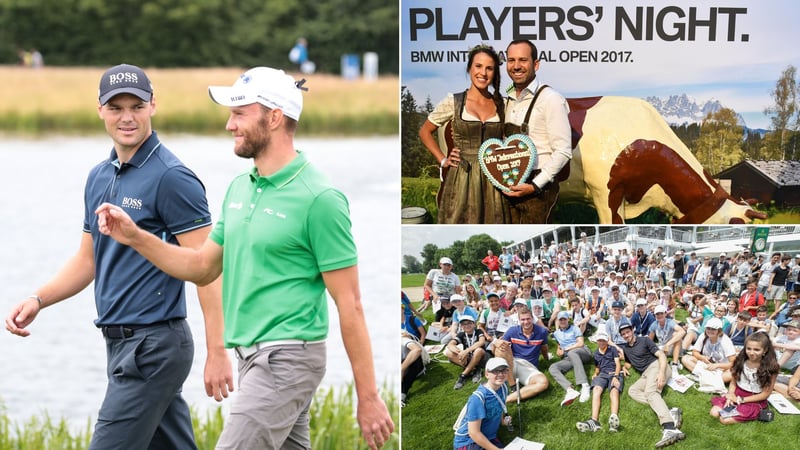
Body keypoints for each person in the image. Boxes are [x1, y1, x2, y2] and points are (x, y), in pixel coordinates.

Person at [95, 66, 393, 449]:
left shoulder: (319, 199)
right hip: (251, 360)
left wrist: (367, 397)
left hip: (287, 361)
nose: (229, 125)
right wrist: (136, 237)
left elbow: (350, 304)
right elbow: (201, 268)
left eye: (239, 114)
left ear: (274, 117)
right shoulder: (240, 189)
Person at [5, 64, 234, 449]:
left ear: (152, 106)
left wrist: (217, 351)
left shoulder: (172, 177)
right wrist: (38, 299)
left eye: (136, 106)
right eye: (116, 107)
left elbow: (207, 270)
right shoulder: (99, 176)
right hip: (120, 345)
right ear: (100, 110)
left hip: (154, 346)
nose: (127, 117)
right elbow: (88, 259)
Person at [419, 44, 508, 223]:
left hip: (493, 176)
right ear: (469, 68)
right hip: (462, 176)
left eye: (489, 68)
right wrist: (443, 160)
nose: (483, 73)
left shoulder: (502, 104)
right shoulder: (454, 101)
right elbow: (425, 131)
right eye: (478, 66)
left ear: (495, 73)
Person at [502, 39, 572, 223]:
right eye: (511, 60)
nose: (516, 66)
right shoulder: (506, 101)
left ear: (536, 64)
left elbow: (564, 151)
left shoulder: (551, 99)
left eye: (523, 60)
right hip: (508, 180)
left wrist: (534, 185)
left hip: (537, 188)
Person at [619, 320, 685, 448]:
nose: (626, 335)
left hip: (656, 366)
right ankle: (671, 410)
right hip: (646, 373)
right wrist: (624, 368)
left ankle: (670, 428)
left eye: (627, 332)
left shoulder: (644, 340)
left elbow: (661, 355)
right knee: (632, 390)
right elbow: (629, 362)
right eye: (623, 334)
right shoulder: (625, 349)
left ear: (632, 330)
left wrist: (661, 373)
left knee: (651, 393)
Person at [709, 332, 780, 424]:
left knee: (724, 420)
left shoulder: (771, 367)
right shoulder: (741, 360)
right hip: (737, 393)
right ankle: (734, 407)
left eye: (756, 350)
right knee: (714, 413)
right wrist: (731, 395)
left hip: (754, 399)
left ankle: (752, 412)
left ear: (765, 350)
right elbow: (733, 382)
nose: (751, 352)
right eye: (748, 348)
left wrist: (741, 400)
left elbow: (765, 394)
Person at [493, 307, 550, 404]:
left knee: (543, 383)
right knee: (501, 347)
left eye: (528, 319)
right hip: (512, 362)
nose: (526, 322)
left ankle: (505, 400)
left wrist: (546, 358)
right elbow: (496, 352)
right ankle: (513, 385)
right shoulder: (512, 331)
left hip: (528, 366)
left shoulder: (542, 332)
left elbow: (544, 348)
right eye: (523, 319)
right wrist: (496, 343)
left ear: (532, 319)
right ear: (519, 320)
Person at [453, 358, 511, 450]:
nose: (500, 374)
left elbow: (499, 406)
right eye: (495, 371)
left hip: (489, 436)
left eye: (504, 370)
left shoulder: (503, 387)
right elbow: (473, 433)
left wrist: (502, 421)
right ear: (487, 374)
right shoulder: (478, 398)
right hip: (468, 441)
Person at [576, 332, 623, 433]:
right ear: (597, 341)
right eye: (599, 340)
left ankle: (613, 418)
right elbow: (598, 366)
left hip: (614, 372)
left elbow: (618, 364)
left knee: (614, 391)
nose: (601, 342)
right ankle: (594, 421)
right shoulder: (596, 353)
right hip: (602, 374)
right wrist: (595, 373)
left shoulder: (612, 349)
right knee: (596, 390)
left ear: (607, 341)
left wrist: (616, 376)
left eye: (603, 340)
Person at [550, 311, 593, 406]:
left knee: (572, 352)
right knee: (553, 367)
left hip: (582, 352)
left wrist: (566, 349)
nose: (562, 321)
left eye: (564, 319)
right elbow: (559, 346)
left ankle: (585, 385)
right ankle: (569, 390)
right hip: (569, 356)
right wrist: (559, 351)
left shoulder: (574, 329)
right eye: (560, 319)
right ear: (558, 321)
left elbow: (580, 343)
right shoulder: (556, 334)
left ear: (568, 319)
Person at [448, 316, 488, 389]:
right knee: (449, 353)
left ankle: (463, 375)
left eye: (469, 323)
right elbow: (450, 344)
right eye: (464, 324)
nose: (467, 325)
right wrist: (459, 352)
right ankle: (475, 370)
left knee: (478, 350)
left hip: (482, 357)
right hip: (469, 358)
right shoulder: (461, 334)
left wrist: (466, 351)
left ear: (474, 324)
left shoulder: (478, 331)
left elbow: (481, 342)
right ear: (461, 326)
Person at [401, 330, 427, 408]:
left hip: (416, 365)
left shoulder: (402, 339)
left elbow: (417, 350)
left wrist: (401, 369)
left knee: (416, 359)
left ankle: (402, 393)